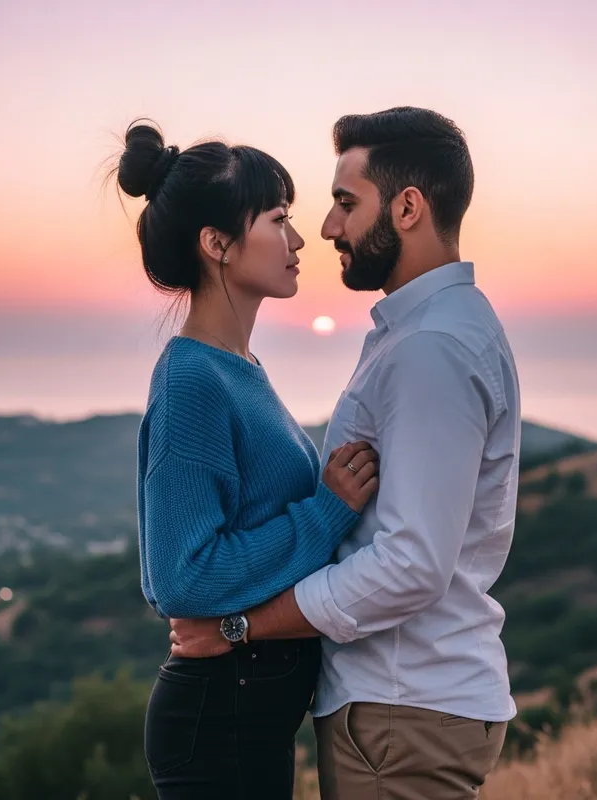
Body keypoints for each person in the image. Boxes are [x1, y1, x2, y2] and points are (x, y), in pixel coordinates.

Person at [170, 106, 522, 799]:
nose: (328, 227)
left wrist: (242, 627)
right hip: (408, 706)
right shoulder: (429, 332)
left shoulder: (430, 350)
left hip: (401, 709)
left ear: (409, 207)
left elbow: (411, 564)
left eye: (344, 203)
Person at [115, 119, 380, 800]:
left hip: (246, 715)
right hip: (218, 722)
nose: (298, 241)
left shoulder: (239, 368)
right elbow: (181, 575)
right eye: (278, 219)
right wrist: (324, 515)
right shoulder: (193, 381)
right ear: (217, 245)